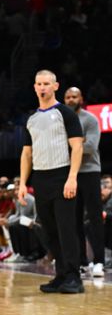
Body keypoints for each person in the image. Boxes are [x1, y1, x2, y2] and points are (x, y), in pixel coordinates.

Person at [19, 70, 84, 293]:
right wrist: (22, 184)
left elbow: (77, 146)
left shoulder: (65, 113)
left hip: (62, 175)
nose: (43, 87)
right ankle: (61, 275)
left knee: (67, 229)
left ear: (55, 86)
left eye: (47, 83)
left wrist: (72, 177)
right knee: (49, 231)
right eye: (39, 84)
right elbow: (26, 154)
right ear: (35, 87)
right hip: (40, 178)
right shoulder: (32, 119)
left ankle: (75, 277)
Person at [64, 87, 104, 277]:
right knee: (74, 219)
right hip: (71, 174)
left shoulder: (90, 119)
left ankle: (99, 261)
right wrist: (78, 144)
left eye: (74, 96)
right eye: (68, 97)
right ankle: (81, 261)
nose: (71, 100)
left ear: (81, 98)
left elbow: (90, 146)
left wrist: (71, 145)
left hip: (89, 172)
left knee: (95, 218)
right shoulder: (62, 121)